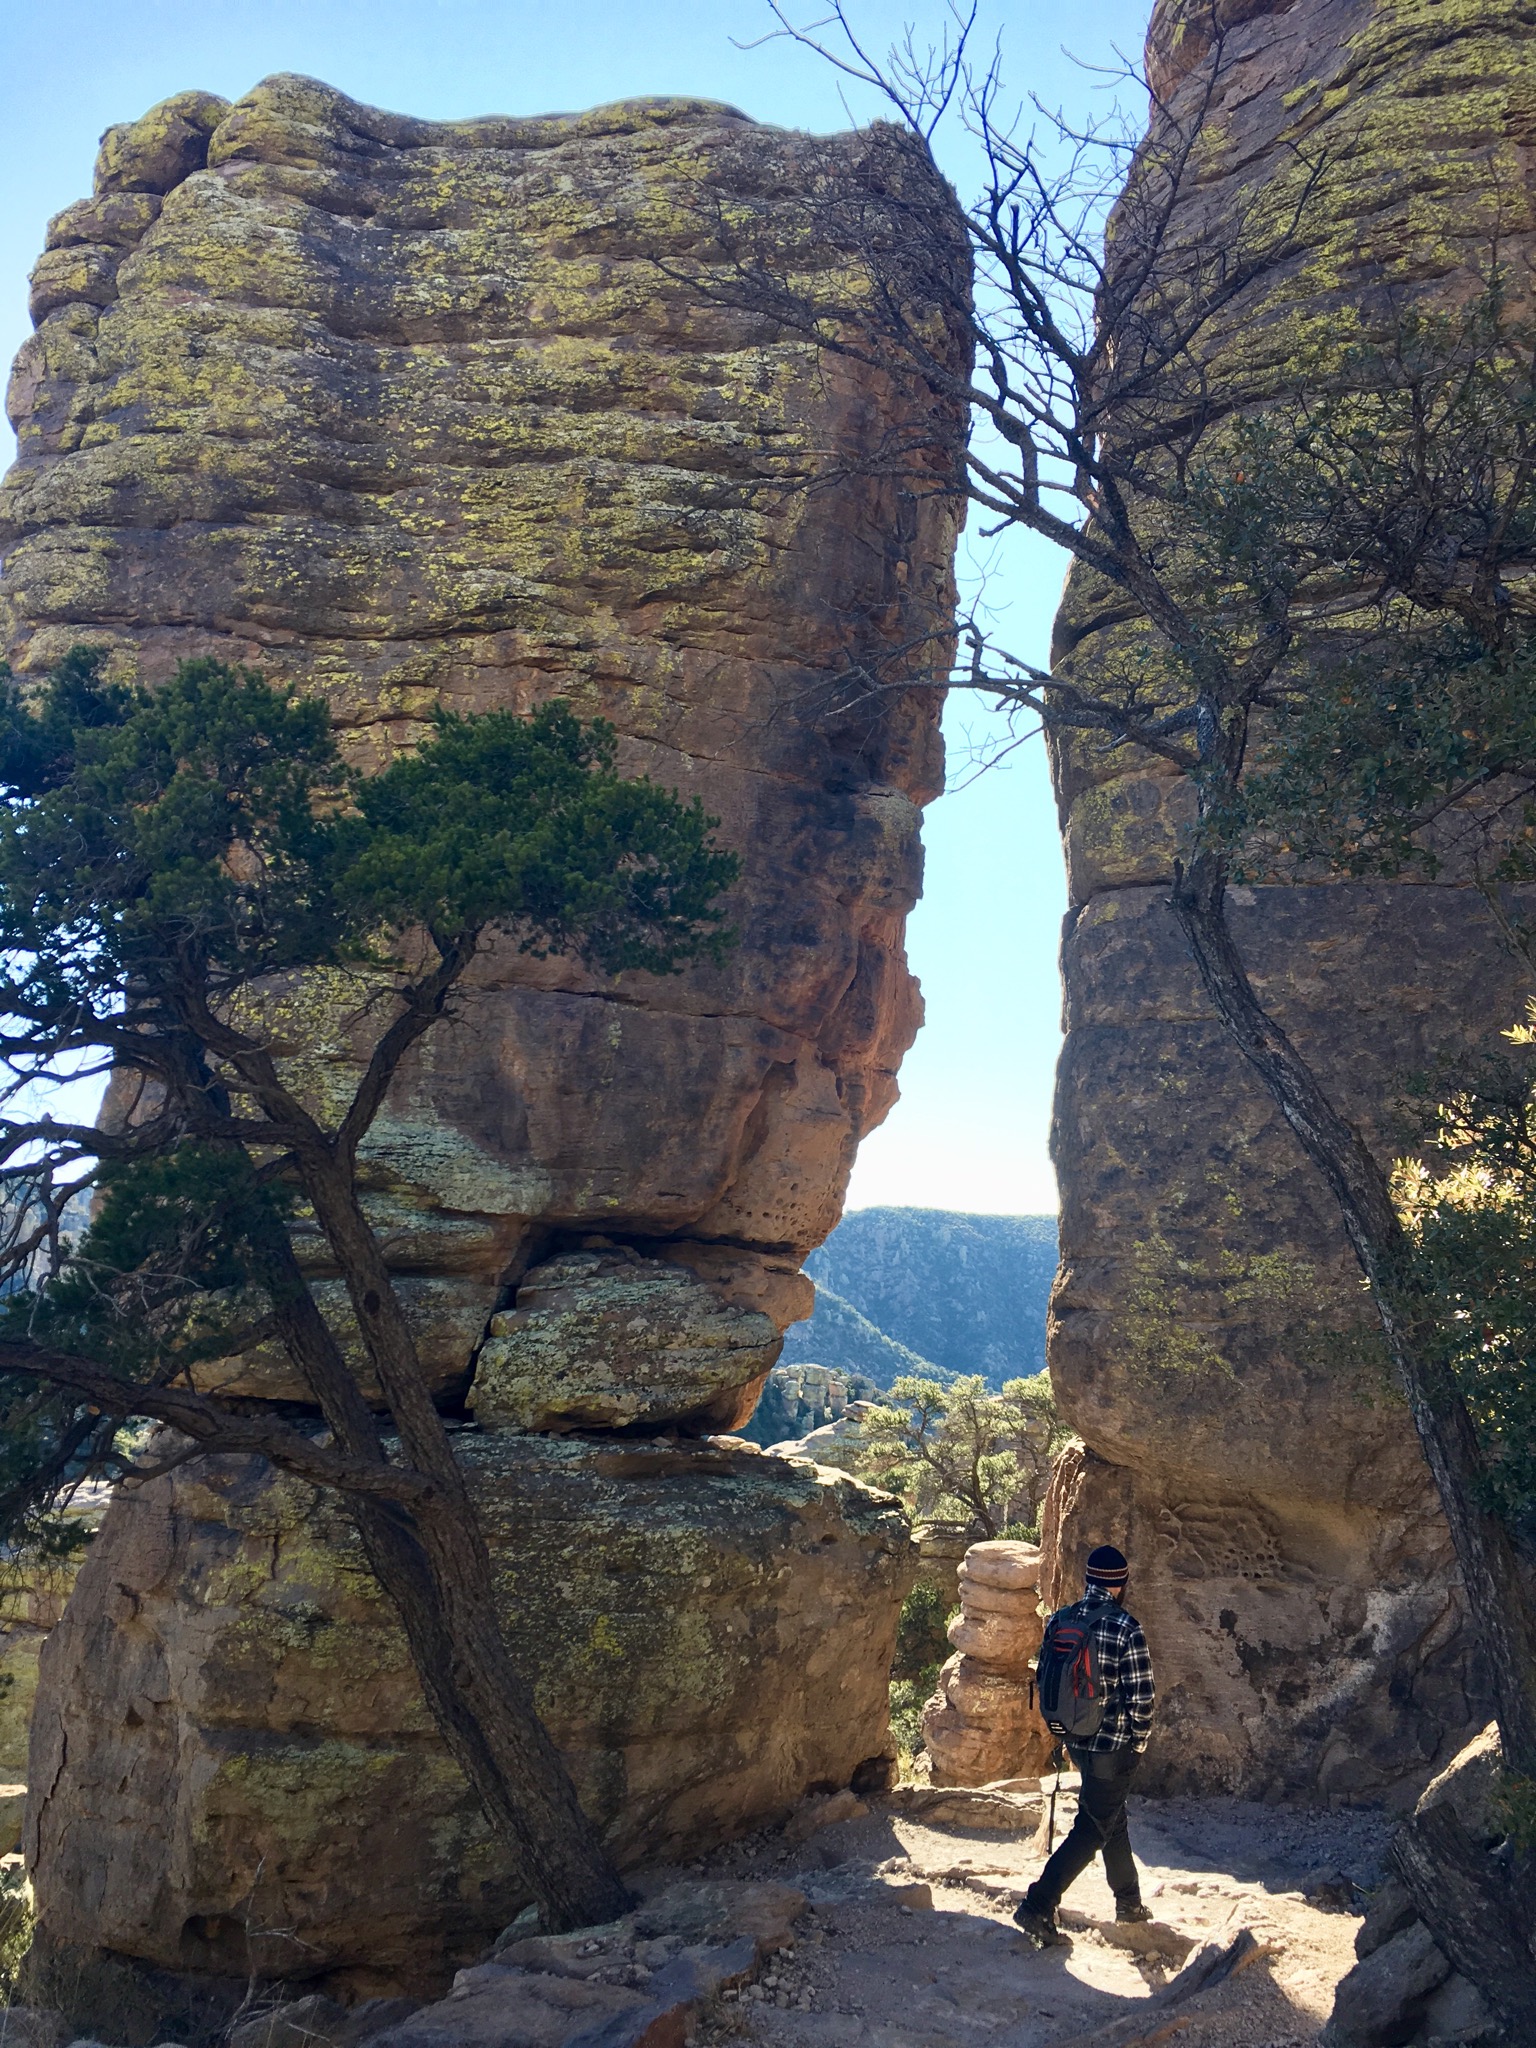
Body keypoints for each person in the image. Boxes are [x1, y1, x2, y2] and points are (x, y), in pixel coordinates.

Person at [1013, 1544, 1156, 1947]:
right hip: (1114, 1745)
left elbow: (1045, 1678)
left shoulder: (1060, 1619)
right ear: (1119, 1584)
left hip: (1075, 1738)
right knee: (1093, 1827)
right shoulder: (1125, 1627)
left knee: (1110, 1815)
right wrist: (1140, 1742)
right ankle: (1038, 1904)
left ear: (1089, 1580)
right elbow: (1142, 1696)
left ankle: (1129, 1903)